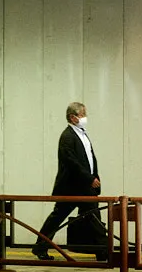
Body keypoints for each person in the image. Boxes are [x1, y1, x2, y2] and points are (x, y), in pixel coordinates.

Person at [33, 102, 100, 260]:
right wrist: (90, 178)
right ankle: (40, 247)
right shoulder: (67, 136)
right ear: (72, 117)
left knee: (94, 218)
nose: (85, 117)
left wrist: (94, 177)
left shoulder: (82, 134)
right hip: (71, 187)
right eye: (82, 114)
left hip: (85, 187)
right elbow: (71, 162)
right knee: (58, 217)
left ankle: (102, 250)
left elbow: (89, 159)